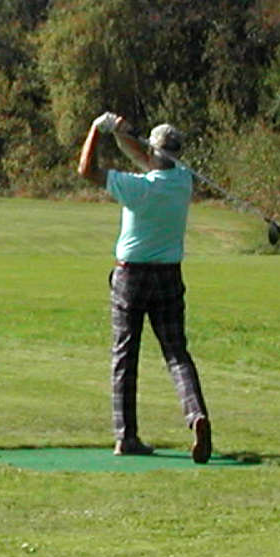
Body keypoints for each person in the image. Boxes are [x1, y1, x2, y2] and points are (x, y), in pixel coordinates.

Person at [75, 113, 212, 462]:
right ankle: (196, 415)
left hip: (131, 279)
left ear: (153, 150)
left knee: (125, 357)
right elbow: (145, 157)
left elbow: (86, 171)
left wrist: (96, 130)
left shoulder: (138, 188)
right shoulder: (183, 181)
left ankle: (126, 437)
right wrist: (122, 134)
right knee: (177, 354)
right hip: (169, 277)